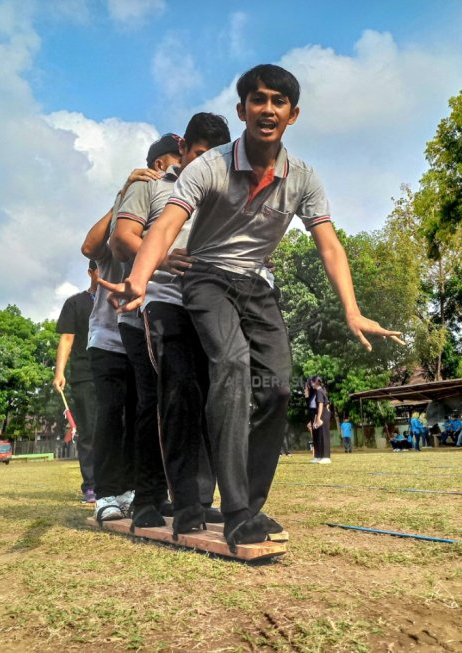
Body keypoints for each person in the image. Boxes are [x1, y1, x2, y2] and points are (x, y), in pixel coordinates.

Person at [103, 64, 401, 550]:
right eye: (258, 100)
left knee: (278, 387)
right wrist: (139, 278)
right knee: (230, 366)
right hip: (206, 278)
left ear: (293, 114)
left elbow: (329, 245)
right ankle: (232, 509)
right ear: (242, 110)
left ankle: (251, 503)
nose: (267, 109)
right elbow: (164, 227)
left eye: (278, 102)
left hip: (256, 284)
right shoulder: (209, 167)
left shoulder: (303, 177)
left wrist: (352, 309)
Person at [112, 117, 232, 531]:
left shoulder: (221, 195)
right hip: (161, 300)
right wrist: (160, 258)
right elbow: (121, 238)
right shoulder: (152, 185)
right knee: (162, 399)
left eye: (214, 157)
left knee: (208, 401)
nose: (205, 164)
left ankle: (196, 499)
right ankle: (147, 497)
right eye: (199, 155)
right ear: (183, 152)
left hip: (210, 304)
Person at [81, 163, 164, 522]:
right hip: (109, 339)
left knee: (139, 413)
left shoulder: (160, 231)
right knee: (112, 414)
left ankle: (130, 488)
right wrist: (122, 194)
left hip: (142, 336)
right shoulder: (119, 234)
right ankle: (105, 493)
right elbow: (88, 246)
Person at [54, 259, 101, 502]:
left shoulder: (120, 298)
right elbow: (67, 339)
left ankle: (121, 483)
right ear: (90, 272)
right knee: (89, 430)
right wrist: (59, 372)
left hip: (114, 371)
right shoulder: (75, 303)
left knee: (119, 428)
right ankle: (91, 485)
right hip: (84, 375)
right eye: (100, 268)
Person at [310, 377, 331, 464]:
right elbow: (317, 407)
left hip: (323, 413)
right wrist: (315, 419)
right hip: (321, 413)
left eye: (312, 382)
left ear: (316, 382)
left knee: (323, 435)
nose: (311, 384)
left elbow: (321, 405)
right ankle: (319, 456)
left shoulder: (319, 391)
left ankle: (326, 457)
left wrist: (318, 418)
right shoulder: (320, 390)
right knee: (319, 435)